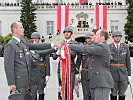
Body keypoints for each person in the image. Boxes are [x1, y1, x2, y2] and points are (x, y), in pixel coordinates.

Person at [4, 21, 58, 100]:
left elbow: (36, 46)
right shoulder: (10, 45)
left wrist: (52, 45)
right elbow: (8, 66)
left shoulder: (23, 42)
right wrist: (11, 83)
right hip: (19, 82)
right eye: (21, 27)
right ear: (15, 30)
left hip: (27, 81)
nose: (23, 29)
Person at [68, 29, 114, 100]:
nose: (94, 37)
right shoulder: (97, 47)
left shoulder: (102, 48)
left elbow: (85, 48)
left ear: (102, 37)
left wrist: (68, 46)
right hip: (96, 81)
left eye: (96, 35)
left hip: (101, 82)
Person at [29, 32, 56, 100]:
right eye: (33, 39)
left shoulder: (43, 49)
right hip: (33, 73)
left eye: (37, 39)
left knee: (41, 90)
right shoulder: (29, 48)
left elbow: (47, 62)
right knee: (33, 91)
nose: (35, 40)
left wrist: (47, 74)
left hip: (41, 72)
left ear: (39, 39)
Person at [52, 26, 77, 99]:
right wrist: (59, 51)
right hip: (61, 69)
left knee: (69, 89)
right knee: (61, 88)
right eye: (65, 32)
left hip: (70, 68)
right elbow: (54, 57)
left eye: (68, 32)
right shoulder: (60, 43)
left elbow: (73, 55)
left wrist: (66, 49)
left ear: (71, 34)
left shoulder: (74, 43)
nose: (67, 34)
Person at [109, 30, 131, 100]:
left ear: (121, 37)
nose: (117, 38)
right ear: (113, 37)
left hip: (123, 73)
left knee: (122, 93)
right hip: (113, 74)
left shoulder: (125, 47)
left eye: (119, 36)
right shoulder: (109, 47)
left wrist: (129, 75)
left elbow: (128, 61)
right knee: (113, 93)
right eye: (116, 36)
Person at [76, 32, 94, 100]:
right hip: (85, 74)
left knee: (93, 94)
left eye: (90, 38)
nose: (89, 39)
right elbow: (78, 61)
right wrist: (77, 73)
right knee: (86, 94)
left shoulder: (96, 47)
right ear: (85, 40)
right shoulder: (82, 49)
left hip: (94, 74)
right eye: (87, 38)